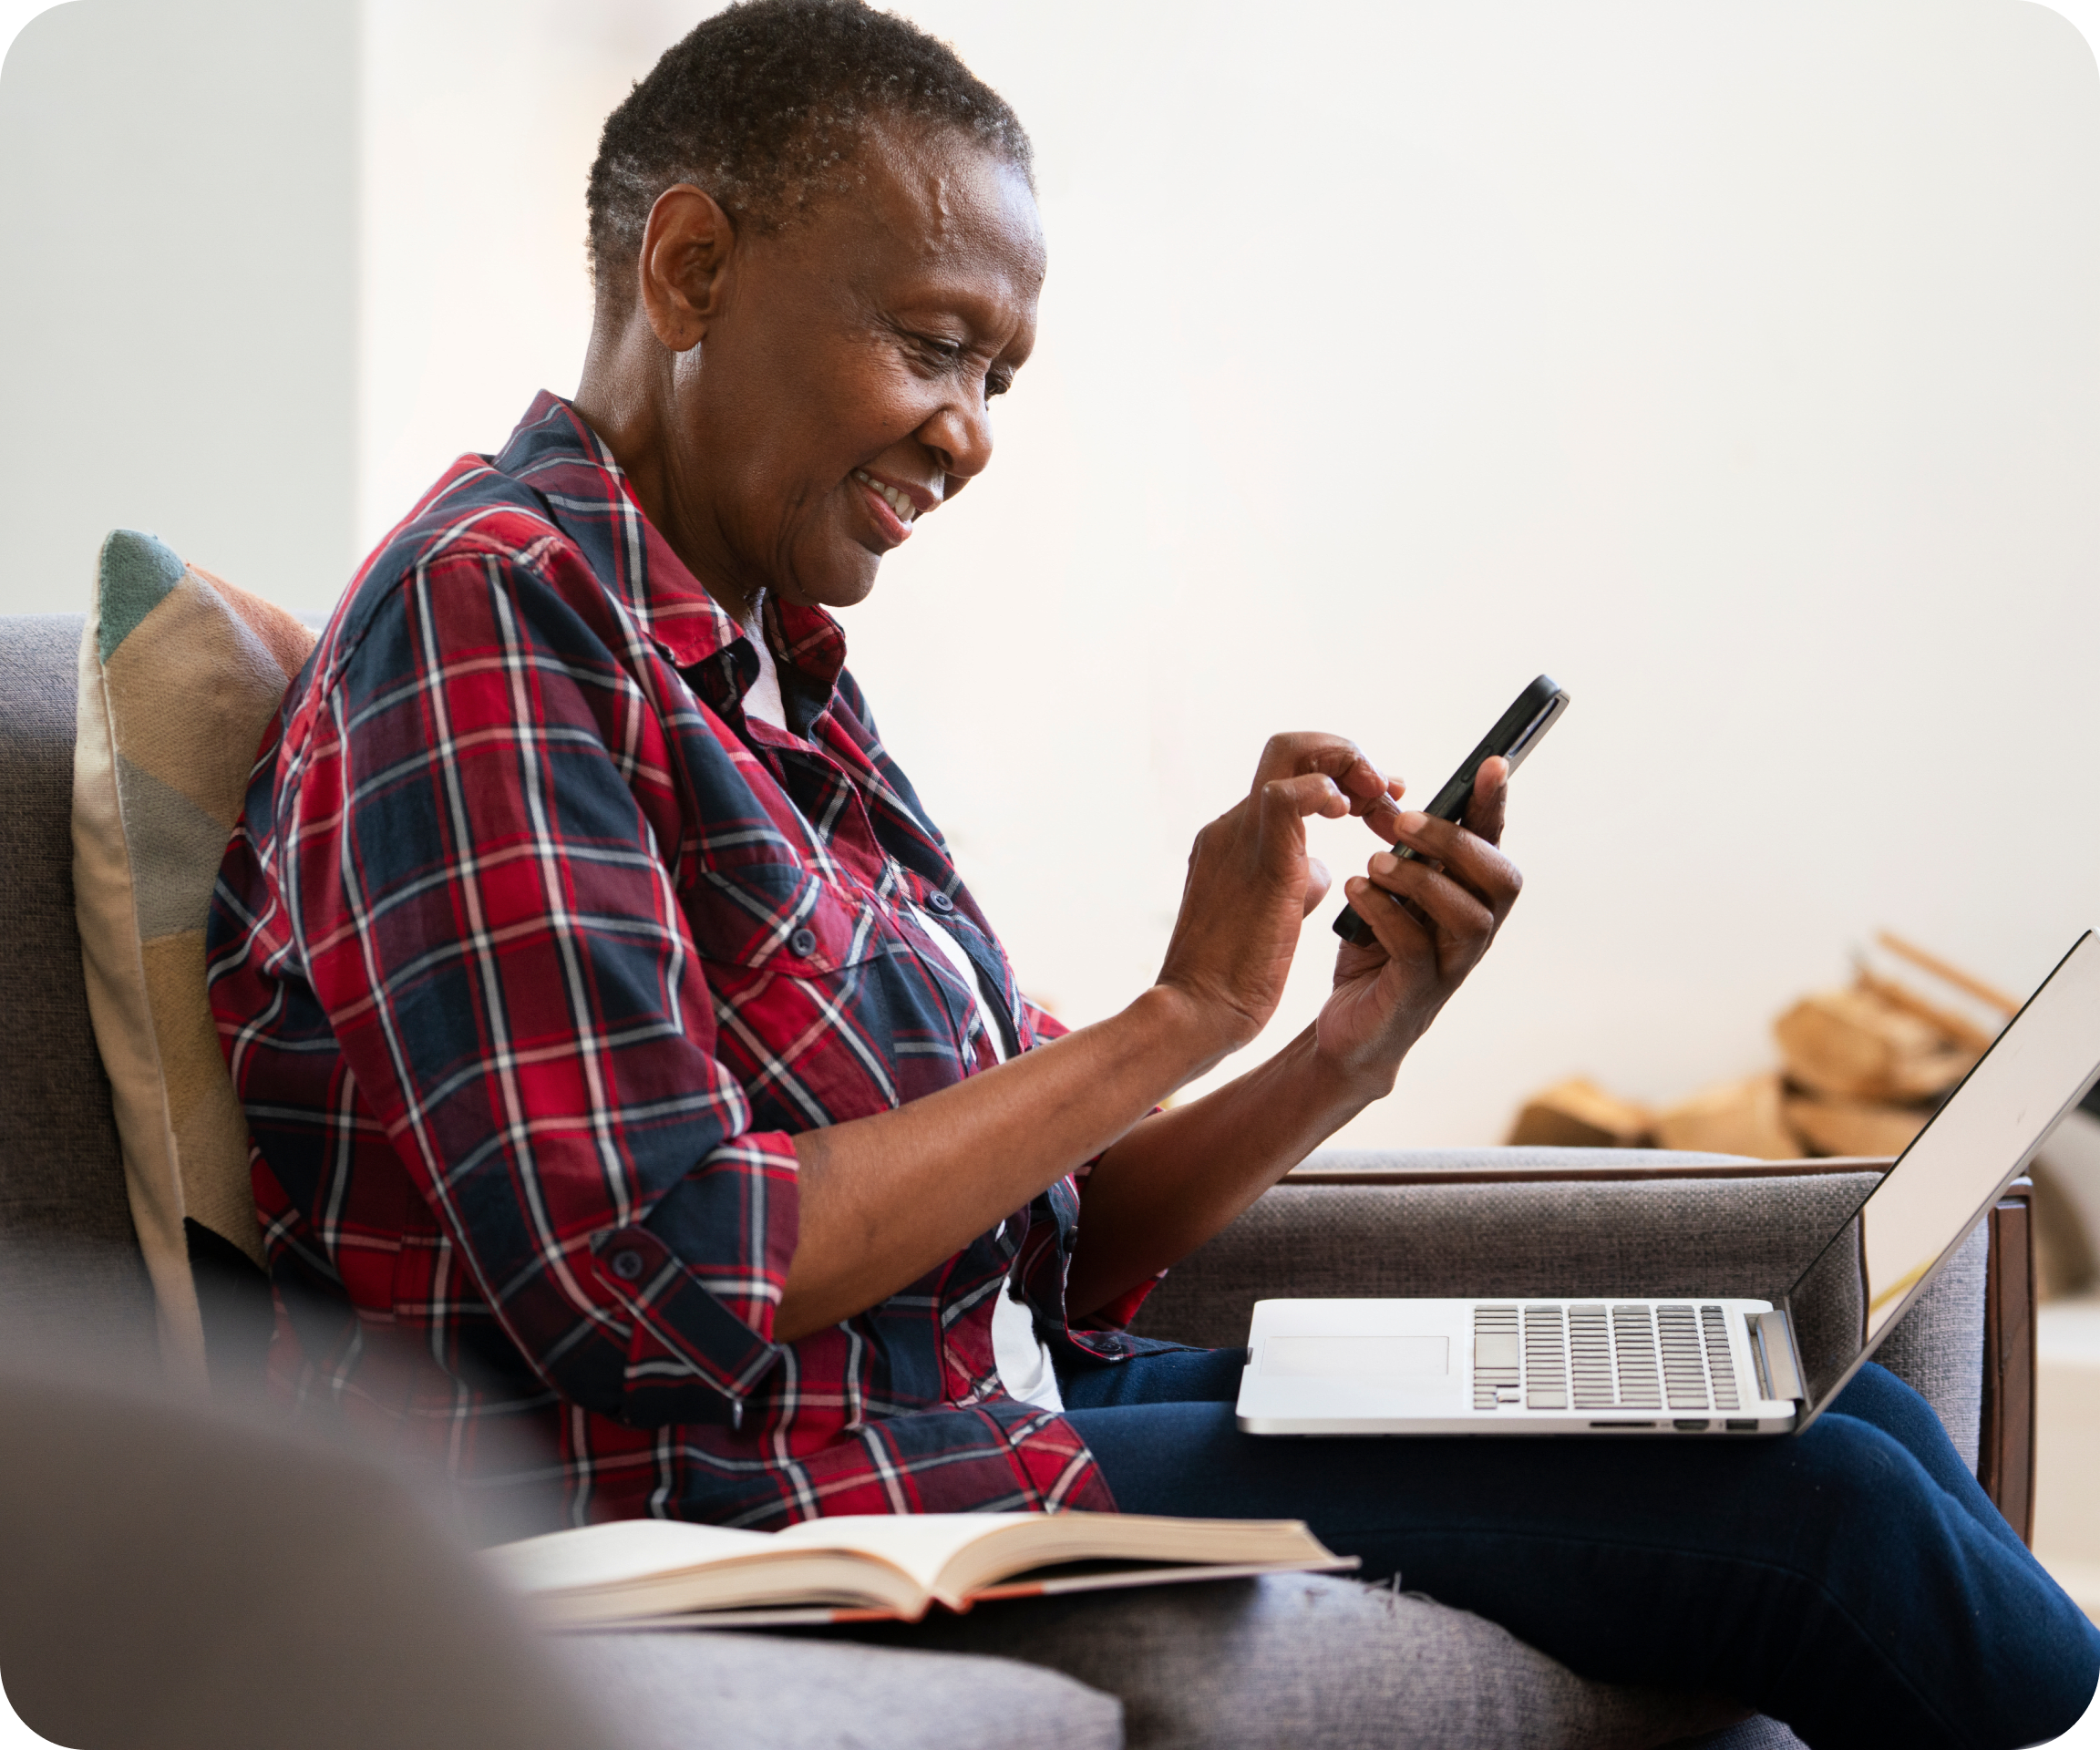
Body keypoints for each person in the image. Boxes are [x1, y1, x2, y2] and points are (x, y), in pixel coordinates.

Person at [207, 3, 2099, 1743]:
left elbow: (1053, 1247)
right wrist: (1172, 1015)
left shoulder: (773, 665)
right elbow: (648, 1281)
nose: (967, 433)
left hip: (963, 1412)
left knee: (1856, 1428)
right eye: (934, 344)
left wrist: (1332, 1047)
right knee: (1828, 1512)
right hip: (730, 1495)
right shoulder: (500, 612)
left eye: (1001, 378)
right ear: (691, 264)